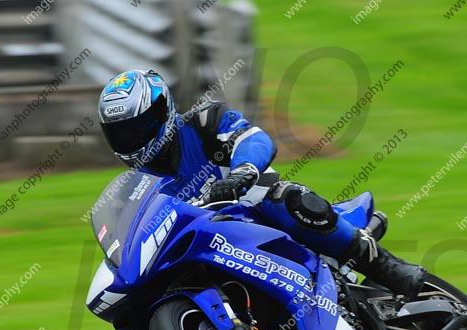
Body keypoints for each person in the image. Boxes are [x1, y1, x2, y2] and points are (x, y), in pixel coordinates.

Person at [97, 69, 426, 298]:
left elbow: (254, 139)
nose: (131, 140)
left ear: (162, 111)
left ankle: (385, 266)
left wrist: (242, 172)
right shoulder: (137, 184)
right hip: (209, 246)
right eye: (121, 133)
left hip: (254, 214)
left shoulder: (202, 122)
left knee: (283, 198)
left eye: (137, 128)